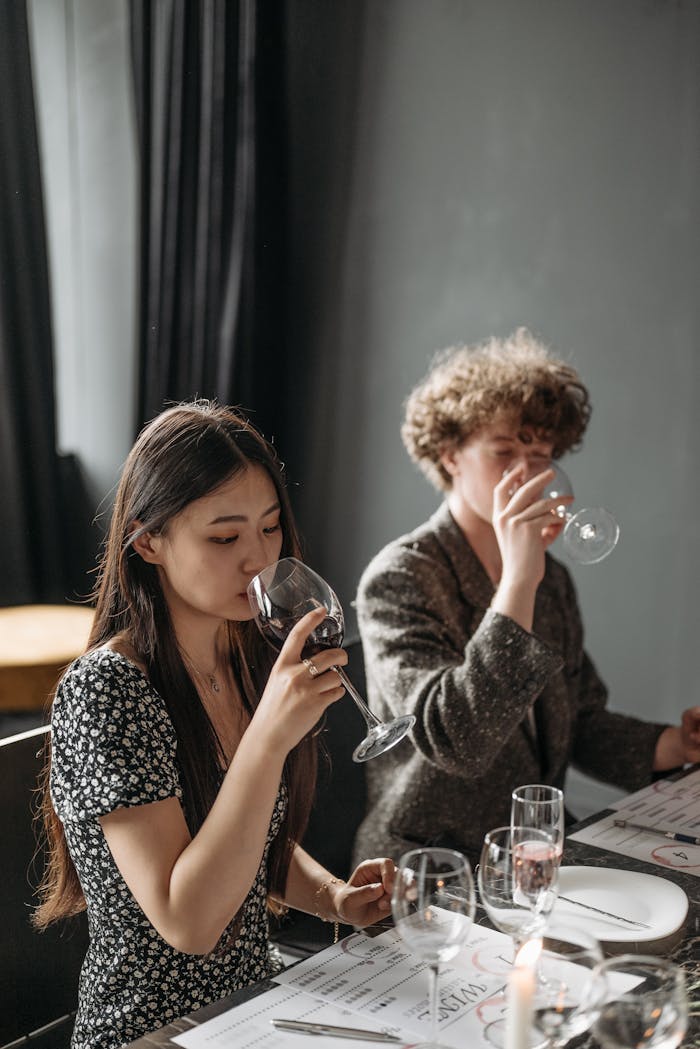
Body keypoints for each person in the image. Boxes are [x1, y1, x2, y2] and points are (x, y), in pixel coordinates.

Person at [34, 400, 395, 1049]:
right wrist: (268, 738)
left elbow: (246, 842)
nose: (258, 558)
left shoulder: (244, 652)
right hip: (151, 1030)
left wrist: (336, 898)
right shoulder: (107, 691)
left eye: (270, 526)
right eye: (224, 537)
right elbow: (189, 922)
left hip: (254, 1009)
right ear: (148, 541)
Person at [352, 329, 700, 868]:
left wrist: (676, 745)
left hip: (530, 855)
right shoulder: (401, 576)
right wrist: (517, 581)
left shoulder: (550, 578)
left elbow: (577, 719)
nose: (531, 474)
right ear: (450, 456)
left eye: (541, 453)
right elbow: (457, 739)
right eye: (505, 451)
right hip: (426, 866)